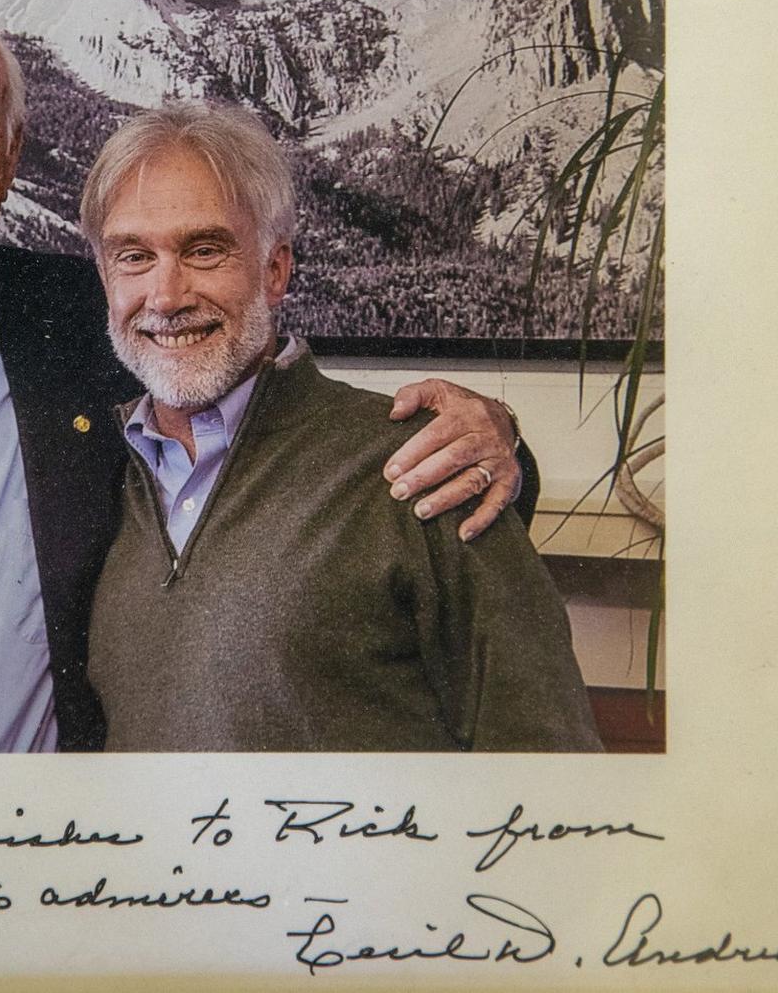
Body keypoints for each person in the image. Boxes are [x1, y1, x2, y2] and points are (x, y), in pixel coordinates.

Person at [0, 0, 534, 754]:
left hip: (61, 859)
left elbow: (265, 395)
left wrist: (495, 437)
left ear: (12, 154)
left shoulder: (85, 314)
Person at [82, 102, 601, 751]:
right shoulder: (96, 467)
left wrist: (506, 434)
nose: (165, 295)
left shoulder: (421, 463)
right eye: (134, 255)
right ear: (104, 275)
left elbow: (548, 756)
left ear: (275, 268)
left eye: (204, 249)